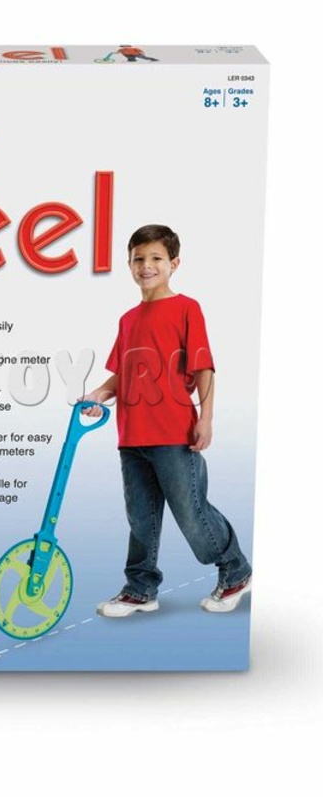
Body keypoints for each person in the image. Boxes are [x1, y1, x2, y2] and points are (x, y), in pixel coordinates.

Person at [82, 224, 252, 617]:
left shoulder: (187, 308)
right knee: (141, 520)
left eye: (156, 258)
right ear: (129, 264)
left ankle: (236, 570)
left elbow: (204, 367)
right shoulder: (128, 319)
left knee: (191, 513)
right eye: (138, 258)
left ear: (174, 263)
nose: (147, 265)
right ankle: (140, 589)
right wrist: (97, 395)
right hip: (131, 436)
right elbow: (122, 373)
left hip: (174, 433)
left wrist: (206, 419)